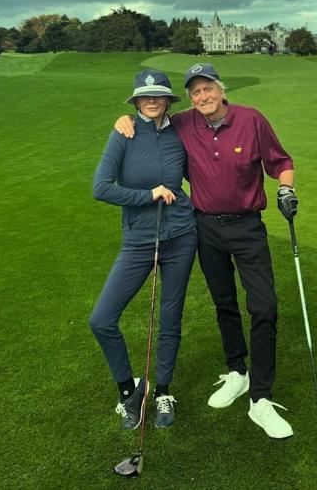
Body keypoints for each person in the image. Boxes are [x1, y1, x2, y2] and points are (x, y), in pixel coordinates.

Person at [112, 62, 299, 441]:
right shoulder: (184, 122)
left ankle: (261, 399)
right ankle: (238, 373)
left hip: (248, 227)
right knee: (224, 302)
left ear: (221, 88)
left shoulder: (251, 119)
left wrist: (285, 189)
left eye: (207, 88)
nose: (202, 97)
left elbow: (281, 162)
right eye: (195, 92)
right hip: (206, 228)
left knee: (264, 307)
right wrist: (123, 119)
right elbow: (152, 116)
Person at [90, 69, 198, 430]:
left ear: (168, 99)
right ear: (136, 100)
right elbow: (101, 188)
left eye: (159, 95)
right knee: (102, 319)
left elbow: (213, 114)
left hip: (181, 236)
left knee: (170, 318)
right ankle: (128, 391)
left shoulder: (180, 131)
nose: (152, 101)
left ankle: (163, 390)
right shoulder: (123, 134)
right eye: (145, 96)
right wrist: (147, 195)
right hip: (138, 240)